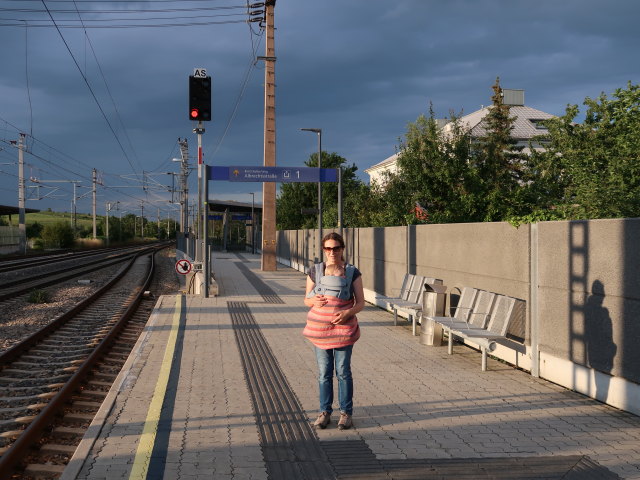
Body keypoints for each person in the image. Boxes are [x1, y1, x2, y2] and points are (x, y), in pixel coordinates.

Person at [303, 232, 365, 430]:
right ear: (323, 249)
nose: (332, 252)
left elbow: (361, 303)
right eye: (328, 248)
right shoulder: (315, 271)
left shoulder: (352, 272)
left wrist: (348, 312)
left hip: (343, 330)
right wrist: (313, 300)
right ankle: (325, 412)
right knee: (324, 373)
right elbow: (306, 299)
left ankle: (346, 413)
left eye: (336, 248)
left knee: (343, 372)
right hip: (320, 331)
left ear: (342, 249)